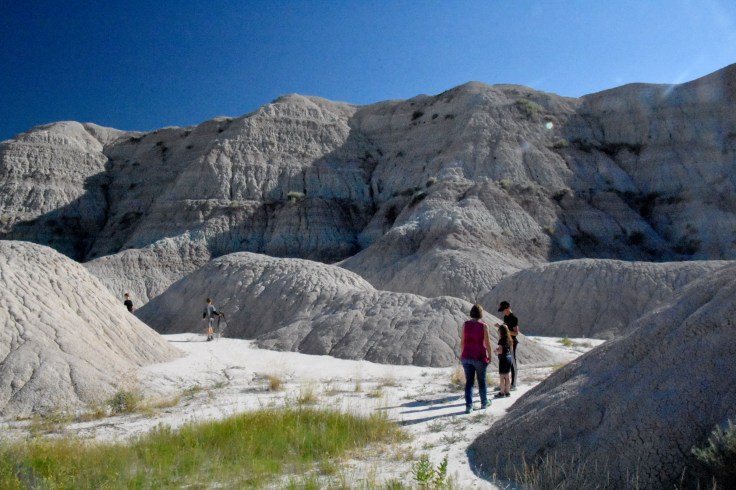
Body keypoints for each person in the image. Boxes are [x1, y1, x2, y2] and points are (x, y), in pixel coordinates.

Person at [460, 304, 492, 414]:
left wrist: (462, 354)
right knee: (481, 381)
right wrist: (490, 356)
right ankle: (484, 402)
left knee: (469, 382)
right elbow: (487, 343)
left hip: (466, 357)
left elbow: (462, 342)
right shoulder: (484, 326)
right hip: (479, 357)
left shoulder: (465, 325)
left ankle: (469, 406)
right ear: (481, 314)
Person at [497, 300, 520, 390]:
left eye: (504, 309)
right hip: (506, 342)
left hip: (512, 342)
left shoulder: (514, 318)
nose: (503, 311)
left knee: (512, 363)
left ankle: (514, 384)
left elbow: (516, 333)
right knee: (506, 362)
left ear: (508, 308)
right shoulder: (505, 317)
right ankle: (506, 384)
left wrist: (504, 330)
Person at [494, 324, 514, 398]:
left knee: (502, 377)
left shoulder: (501, 340)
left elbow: (501, 351)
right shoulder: (510, 339)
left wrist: (496, 351)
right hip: (509, 358)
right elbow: (511, 349)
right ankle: (508, 392)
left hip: (503, 359)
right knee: (507, 376)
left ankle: (502, 393)